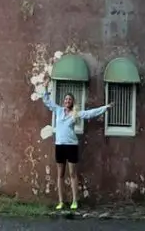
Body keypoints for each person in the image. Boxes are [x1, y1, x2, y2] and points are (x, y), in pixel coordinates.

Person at [40, 79, 110, 211]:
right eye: (66, 99)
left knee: (72, 174)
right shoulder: (59, 110)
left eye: (69, 100)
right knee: (60, 174)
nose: (67, 101)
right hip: (60, 145)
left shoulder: (75, 113)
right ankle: (61, 201)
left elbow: (90, 113)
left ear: (72, 102)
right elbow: (48, 102)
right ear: (63, 101)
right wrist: (45, 89)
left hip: (71, 146)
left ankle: (74, 201)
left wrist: (105, 108)